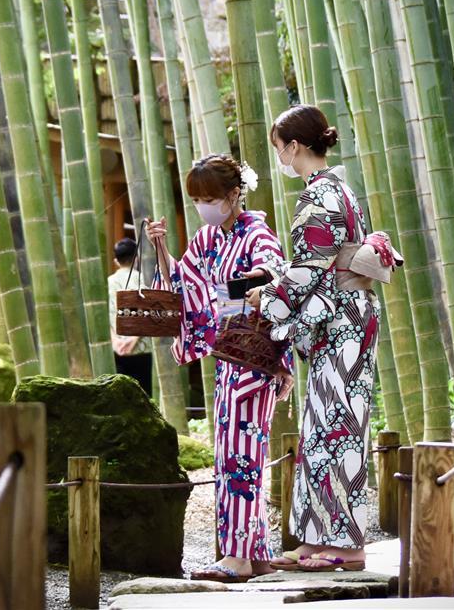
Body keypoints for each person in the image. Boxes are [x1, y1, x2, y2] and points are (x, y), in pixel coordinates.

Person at [247, 104, 398, 572]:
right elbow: (319, 262)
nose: (279, 157)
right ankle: (316, 538)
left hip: (343, 318)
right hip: (344, 315)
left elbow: (311, 268)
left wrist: (267, 297)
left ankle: (347, 545)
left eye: (279, 148)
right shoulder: (339, 188)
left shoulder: (320, 195)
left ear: (294, 146)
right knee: (320, 428)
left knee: (339, 427)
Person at [147, 154, 294, 582]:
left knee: (240, 454)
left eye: (210, 198)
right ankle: (256, 552)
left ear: (234, 194)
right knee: (235, 453)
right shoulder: (209, 236)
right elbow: (184, 281)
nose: (203, 206)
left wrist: (241, 288)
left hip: (253, 355)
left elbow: (274, 273)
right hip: (229, 355)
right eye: (196, 199)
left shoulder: (256, 232)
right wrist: (159, 248)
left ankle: (236, 557)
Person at [107, 237, 153, 396]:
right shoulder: (145, 280)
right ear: (137, 258)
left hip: (117, 349)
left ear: (116, 261)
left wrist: (116, 341)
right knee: (144, 396)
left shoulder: (108, 282)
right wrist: (133, 339)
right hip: (142, 349)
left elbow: (102, 317)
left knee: (120, 398)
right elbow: (150, 312)